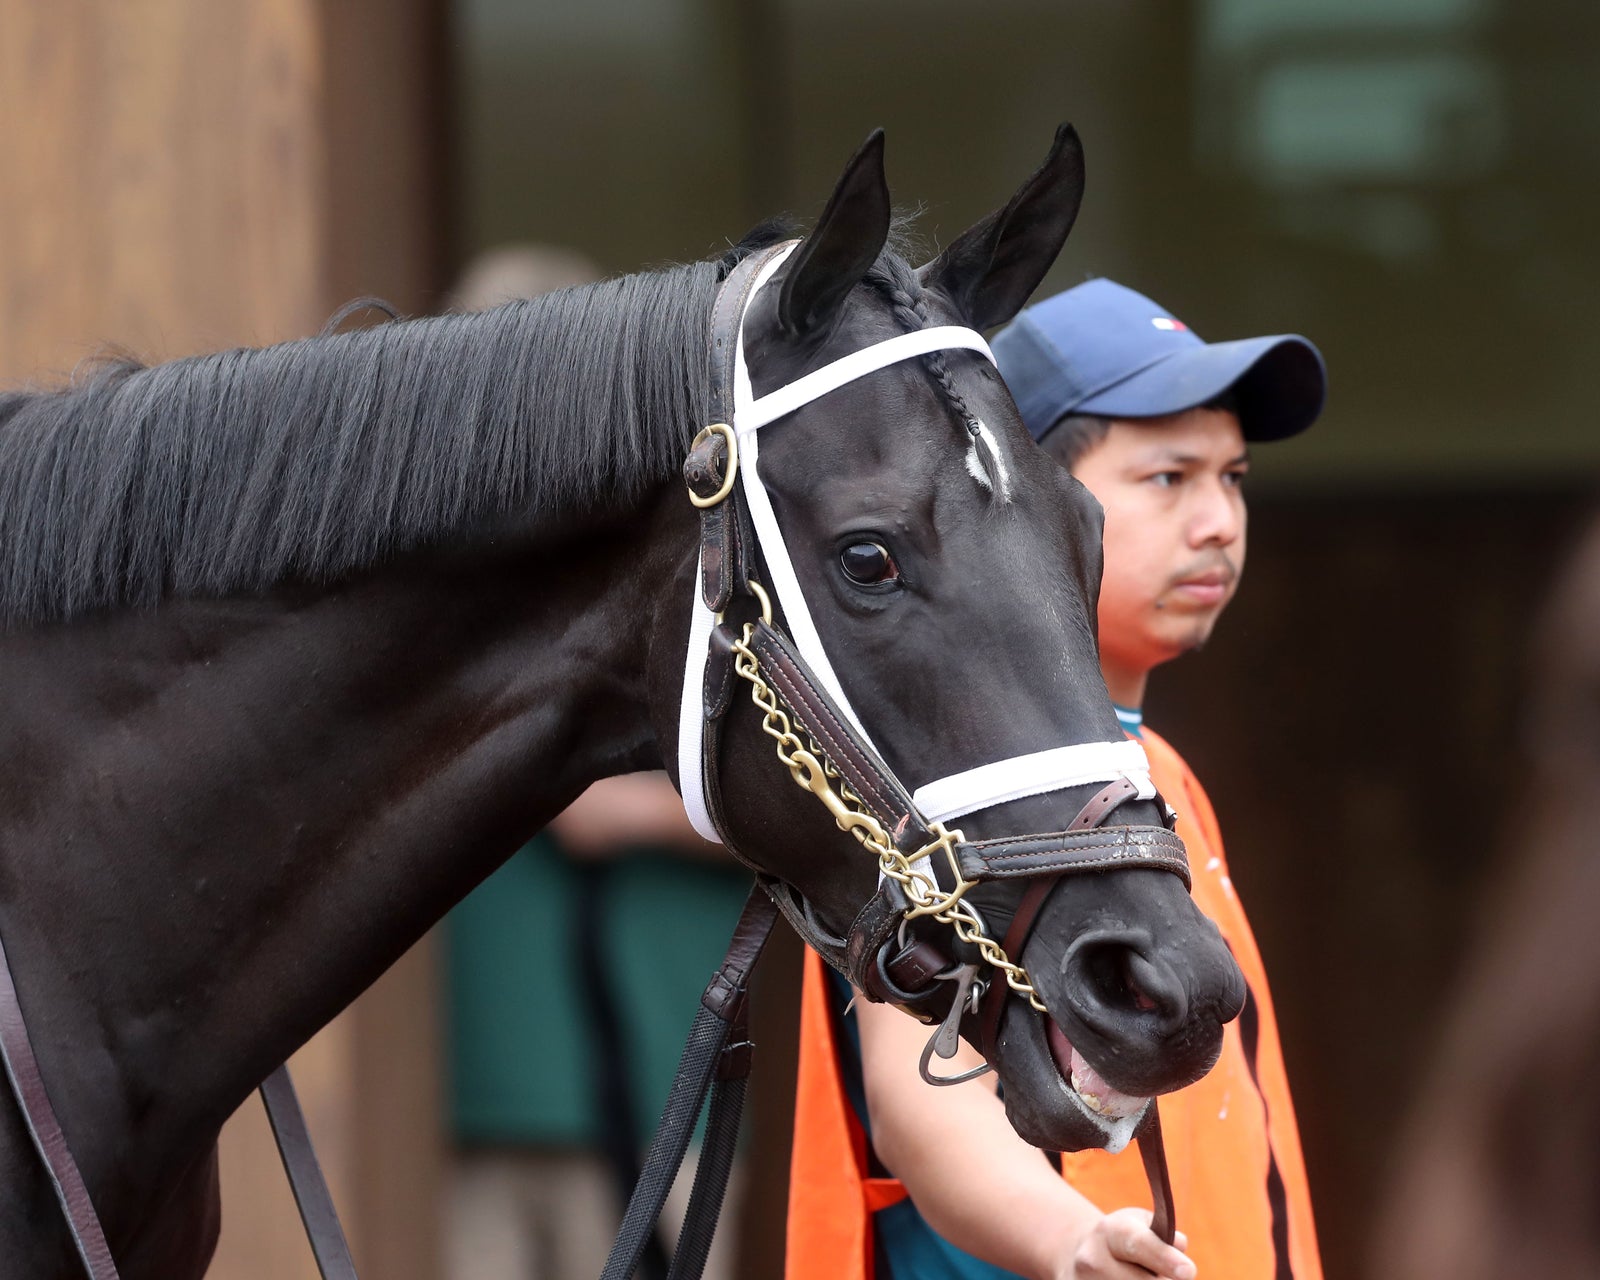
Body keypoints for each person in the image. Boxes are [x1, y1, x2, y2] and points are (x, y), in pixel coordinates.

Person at [785, 278, 1328, 1280]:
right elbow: (927, 1097)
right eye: (1168, 477)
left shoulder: (1163, 776)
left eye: (1234, 476)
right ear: (1025, 500)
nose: (1218, 518)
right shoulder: (935, 784)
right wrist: (1069, 1241)